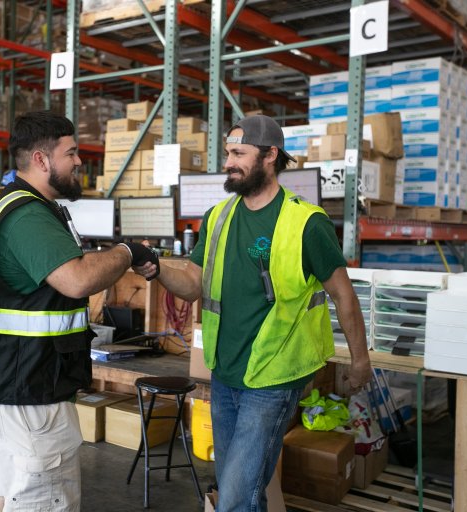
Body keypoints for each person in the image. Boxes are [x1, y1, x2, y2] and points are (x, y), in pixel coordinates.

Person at [133, 114, 372, 512]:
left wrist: (360, 361)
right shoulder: (218, 217)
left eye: (239, 153)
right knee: (237, 488)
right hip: (225, 372)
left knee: (236, 498)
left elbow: (344, 296)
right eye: (228, 152)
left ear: (270, 155)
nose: (229, 162)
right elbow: (194, 282)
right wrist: (157, 269)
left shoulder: (307, 223)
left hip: (275, 377)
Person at [0, 111, 158, 512]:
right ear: (42, 159)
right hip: (27, 390)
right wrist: (128, 251)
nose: (80, 161)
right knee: (44, 498)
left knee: (7, 485)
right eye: (72, 153)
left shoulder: (18, 204)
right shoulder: (28, 215)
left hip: (5, 380)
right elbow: (77, 280)